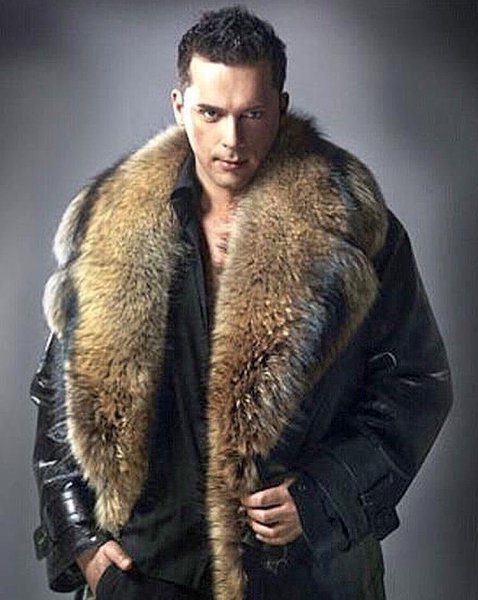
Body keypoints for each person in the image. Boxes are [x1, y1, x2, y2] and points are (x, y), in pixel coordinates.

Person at [31, 6, 453, 600]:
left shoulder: (353, 229)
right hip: (144, 574)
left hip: (302, 578)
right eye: (211, 113)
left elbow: (417, 383)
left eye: (252, 114)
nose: (232, 139)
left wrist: (324, 496)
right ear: (179, 106)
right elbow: (58, 393)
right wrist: (84, 544)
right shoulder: (110, 227)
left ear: (280, 106)